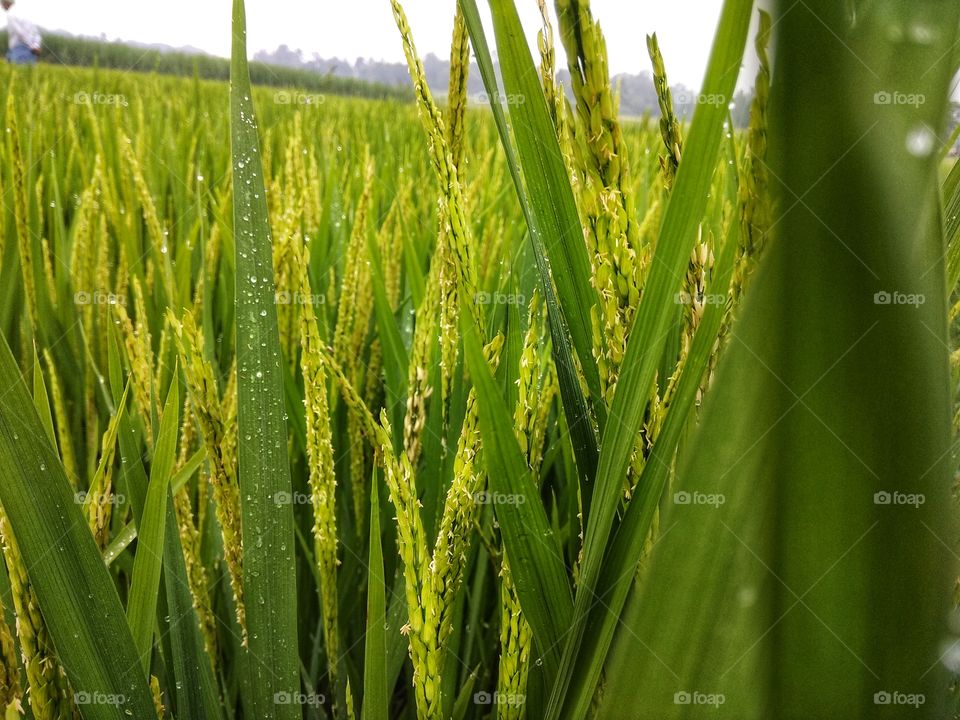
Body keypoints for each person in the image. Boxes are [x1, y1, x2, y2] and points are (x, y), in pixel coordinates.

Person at [2, 1, 40, 65]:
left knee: (16, 68)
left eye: (2, 4)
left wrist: (31, 45)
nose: (1, 7)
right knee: (28, 69)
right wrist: (36, 45)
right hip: (30, 48)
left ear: (6, 2)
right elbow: (35, 32)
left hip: (20, 48)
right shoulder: (24, 12)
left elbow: (20, 32)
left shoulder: (10, 14)